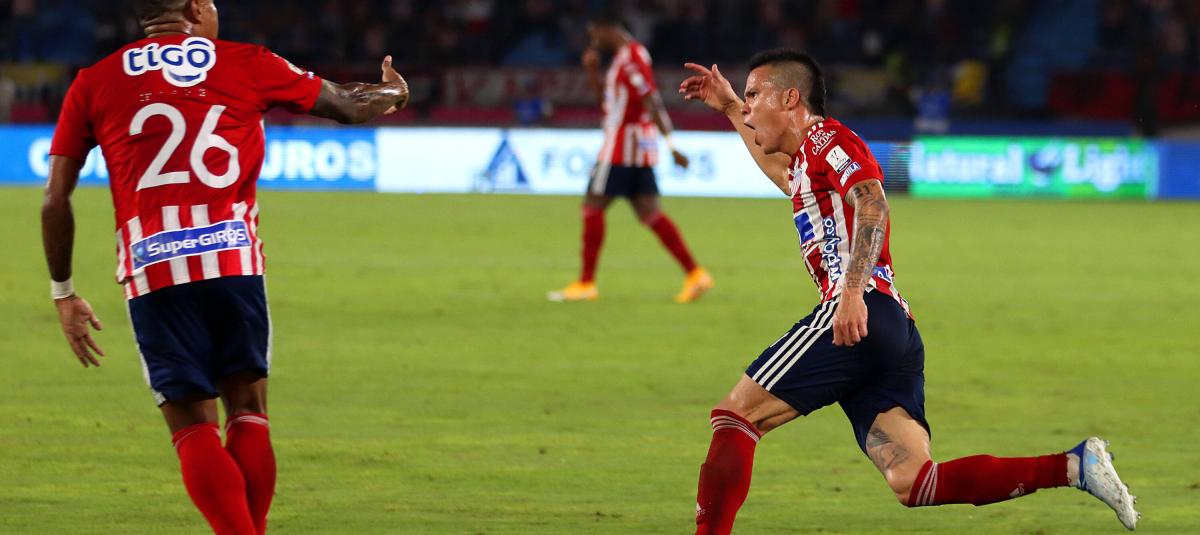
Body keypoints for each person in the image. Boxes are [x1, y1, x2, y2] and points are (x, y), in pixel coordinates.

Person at [678, 49, 1140, 534]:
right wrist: (729, 106)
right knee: (915, 481)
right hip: (889, 327)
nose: (749, 107)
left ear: (791, 98)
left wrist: (850, 293)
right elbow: (781, 175)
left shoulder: (829, 139)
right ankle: (1074, 466)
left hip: (856, 311)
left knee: (736, 416)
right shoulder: (805, 162)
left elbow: (873, 204)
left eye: (754, 95)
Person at [40, 1, 409, 533]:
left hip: (155, 267)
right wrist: (394, 92)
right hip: (232, 257)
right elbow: (349, 105)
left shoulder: (94, 81)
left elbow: (55, 199)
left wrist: (63, 291)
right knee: (248, 409)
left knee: (192, 425)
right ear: (196, 7)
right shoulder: (246, 60)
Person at [548, 13, 713, 303]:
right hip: (639, 149)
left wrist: (671, 144)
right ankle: (696, 274)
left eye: (594, 34)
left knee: (592, 206)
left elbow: (651, 99)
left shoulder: (631, 59)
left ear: (608, 29)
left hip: (621, 148)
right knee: (650, 213)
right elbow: (609, 105)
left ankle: (586, 283)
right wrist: (592, 73)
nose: (593, 41)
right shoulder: (624, 59)